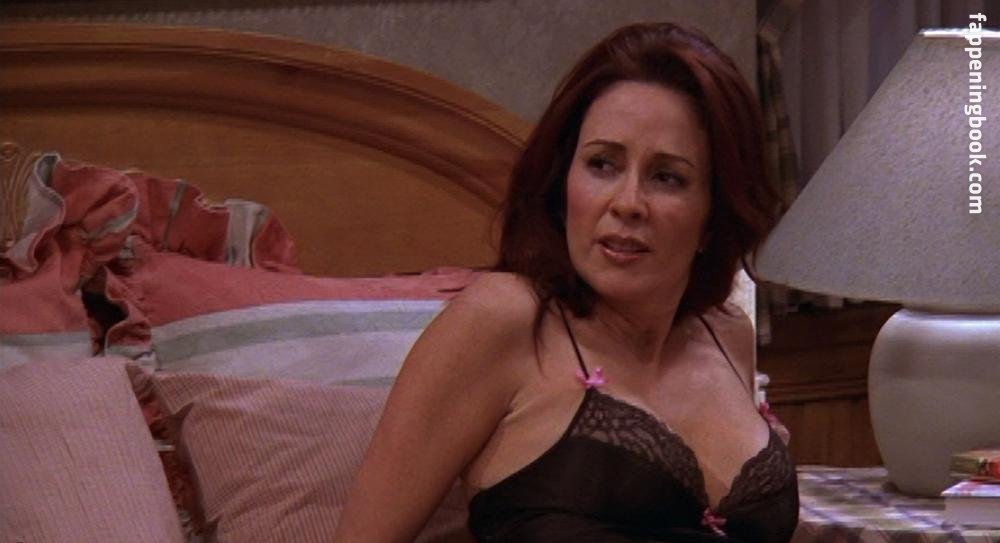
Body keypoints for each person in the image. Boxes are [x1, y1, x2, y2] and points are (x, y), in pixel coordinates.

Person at [334, 22, 798, 542]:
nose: (627, 203)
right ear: (562, 185)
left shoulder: (727, 332)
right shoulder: (502, 320)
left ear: (715, 212)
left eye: (667, 176)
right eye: (602, 164)